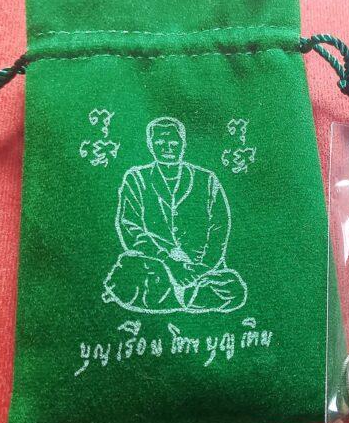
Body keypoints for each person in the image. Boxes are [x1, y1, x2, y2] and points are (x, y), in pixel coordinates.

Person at [102, 117, 247, 314]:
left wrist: (202, 267)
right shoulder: (136, 178)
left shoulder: (207, 179)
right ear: (150, 145)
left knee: (233, 289)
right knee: (129, 272)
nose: (167, 147)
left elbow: (219, 229)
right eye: (160, 142)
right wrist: (170, 263)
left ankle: (175, 297)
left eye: (173, 142)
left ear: (183, 143)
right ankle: (189, 298)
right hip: (157, 264)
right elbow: (130, 227)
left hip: (201, 269)